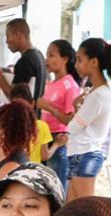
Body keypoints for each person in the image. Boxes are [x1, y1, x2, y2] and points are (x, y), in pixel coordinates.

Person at [66, 38, 111, 202]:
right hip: (81, 153)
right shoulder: (95, 92)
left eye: (79, 60)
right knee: (72, 208)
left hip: (85, 153)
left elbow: (73, 127)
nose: (76, 64)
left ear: (94, 62)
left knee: (84, 209)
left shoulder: (97, 96)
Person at [37, 39, 83, 190]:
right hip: (45, 138)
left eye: (51, 55)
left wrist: (49, 107)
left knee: (56, 190)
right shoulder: (50, 84)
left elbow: (71, 120)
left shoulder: (69, 85)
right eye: (46, 55)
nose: (47, 59)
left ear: (64, 59)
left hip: (58, 141)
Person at [0, 18, 47, 101]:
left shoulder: (25, 61)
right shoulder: (38, 55)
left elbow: (13, 96)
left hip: (25, 112)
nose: (6, 41)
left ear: (17, 35)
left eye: (8, 36)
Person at [9, 83, 54, 163]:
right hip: (32, 171)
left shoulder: (8, 125)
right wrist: (57, 144)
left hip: (13, 168)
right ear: (32, 103)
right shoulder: (42, 126)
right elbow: (45, 156)